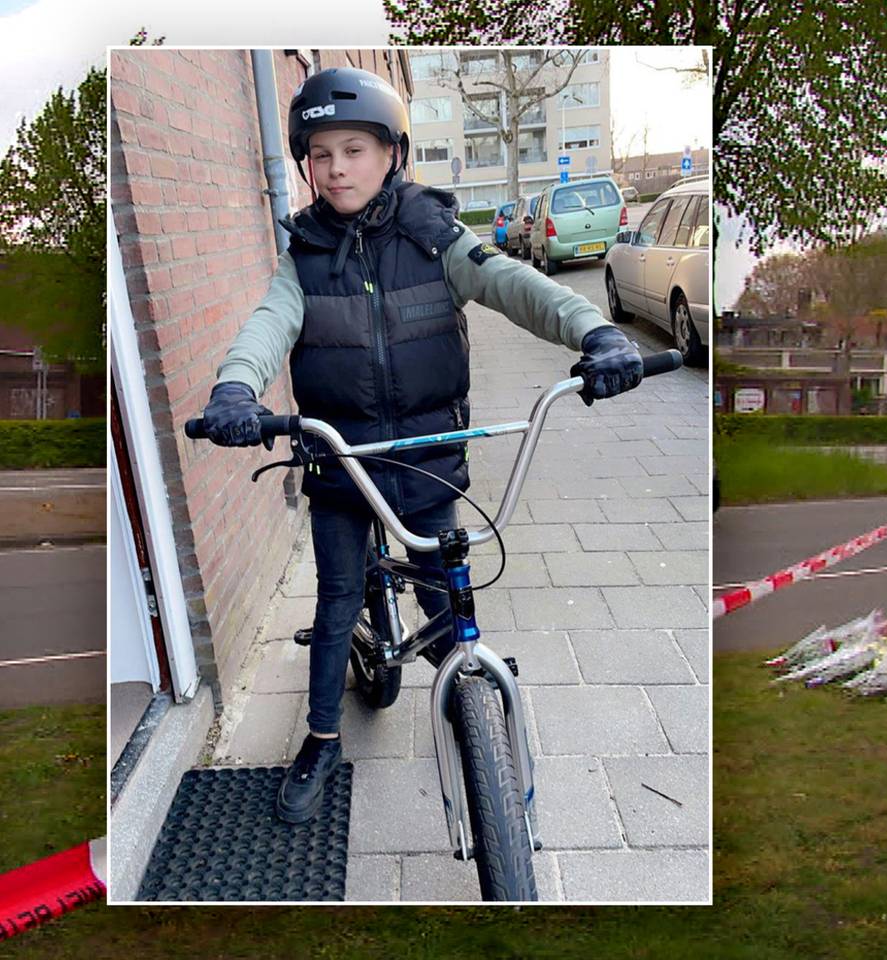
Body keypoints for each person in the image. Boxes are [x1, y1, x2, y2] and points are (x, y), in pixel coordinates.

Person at [199, 67, 642, 824]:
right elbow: (267, 326)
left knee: (446, 596)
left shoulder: (433, 233)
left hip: (431, 460)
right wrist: (234, 390)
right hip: (342, 463)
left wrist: (596, 332)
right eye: (321, 153)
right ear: (306, 163)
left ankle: (471, 707)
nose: (337, 168)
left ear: (392, 155)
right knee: (338, 600)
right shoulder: (304, 256)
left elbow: (511, 283)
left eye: (355, 149)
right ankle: (321, 737)